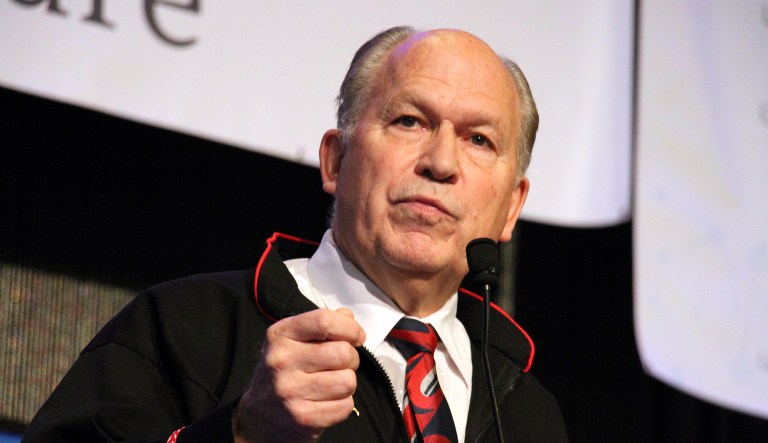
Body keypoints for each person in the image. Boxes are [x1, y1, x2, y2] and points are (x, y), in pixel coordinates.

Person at [23, 26, 568, 442]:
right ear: (335, 161)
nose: (441, 161)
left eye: (478, 139)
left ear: (510, 209)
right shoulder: (186, 329)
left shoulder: (529, 413)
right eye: (409, 121)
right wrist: (240, 432)